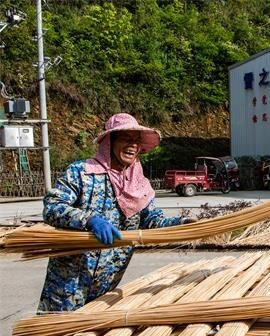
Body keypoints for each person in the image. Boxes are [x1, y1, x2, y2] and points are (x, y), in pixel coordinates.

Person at [39, 113, 194, 312]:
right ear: (110, 141)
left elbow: (152, 221)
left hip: (106, 288)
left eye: (136, 141)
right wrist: (89, 220)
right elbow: (52, 206)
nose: (132, 146)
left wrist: (181, 223)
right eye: (126, 139)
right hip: (67, 285)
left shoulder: (140, 184)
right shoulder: (82, 172)